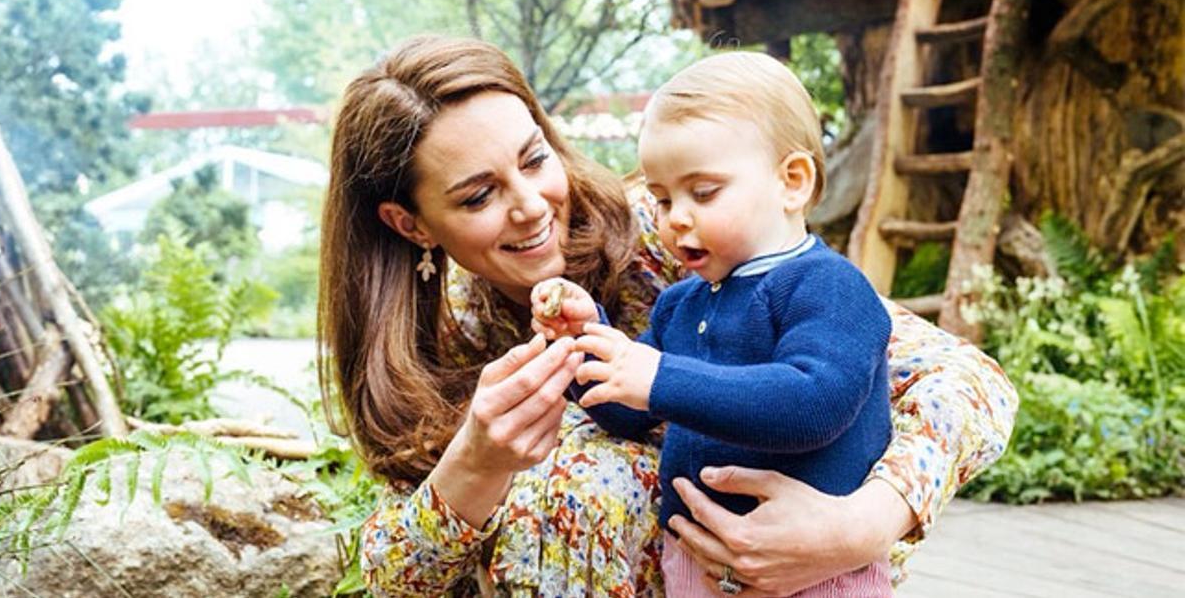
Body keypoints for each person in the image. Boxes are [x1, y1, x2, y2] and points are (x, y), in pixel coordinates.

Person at [318, 35, 1018, 596]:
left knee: (581, 477)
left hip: (808, 575)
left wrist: (863, 524)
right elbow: (391, 578)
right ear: (410, 224)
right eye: (478, 196)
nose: (531, 204)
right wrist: (474, 465)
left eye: (535, 159)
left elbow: (970, 381)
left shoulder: (682, 235)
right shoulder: (436, 347)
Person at [528, 51, 894, 596]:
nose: (676, 217)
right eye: (661, 198)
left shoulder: (828, 286)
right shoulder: (680, 305)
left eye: (703, 192)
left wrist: (658, 377)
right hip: (696, 564)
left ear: (791, 182)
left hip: (815, 572)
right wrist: (587, 344)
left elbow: (815, 402)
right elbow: (628, 414)